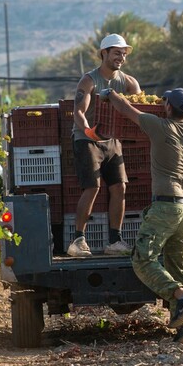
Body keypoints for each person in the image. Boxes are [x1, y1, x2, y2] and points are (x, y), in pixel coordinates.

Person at [100, 86, 183, 344]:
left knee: (142, 259)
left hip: (166, 206)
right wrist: (176, 103)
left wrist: (110, 93)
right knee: (176, 266)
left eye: (166, 103)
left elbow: (125, 109)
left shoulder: (160, 127)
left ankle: (181, 296)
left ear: (167, 108)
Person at [67, 33, 141, 257]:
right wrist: (88, 130)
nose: (121, 57)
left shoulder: (127, 82)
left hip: (112, 140)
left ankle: (115, 241)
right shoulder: (89, 80)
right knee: (93, 187)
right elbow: (78, 111)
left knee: (119, 187)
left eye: (124, 53)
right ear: (104, 53)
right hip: (87, 139)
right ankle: (78, 240)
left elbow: (140, 104)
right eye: (117, 53)